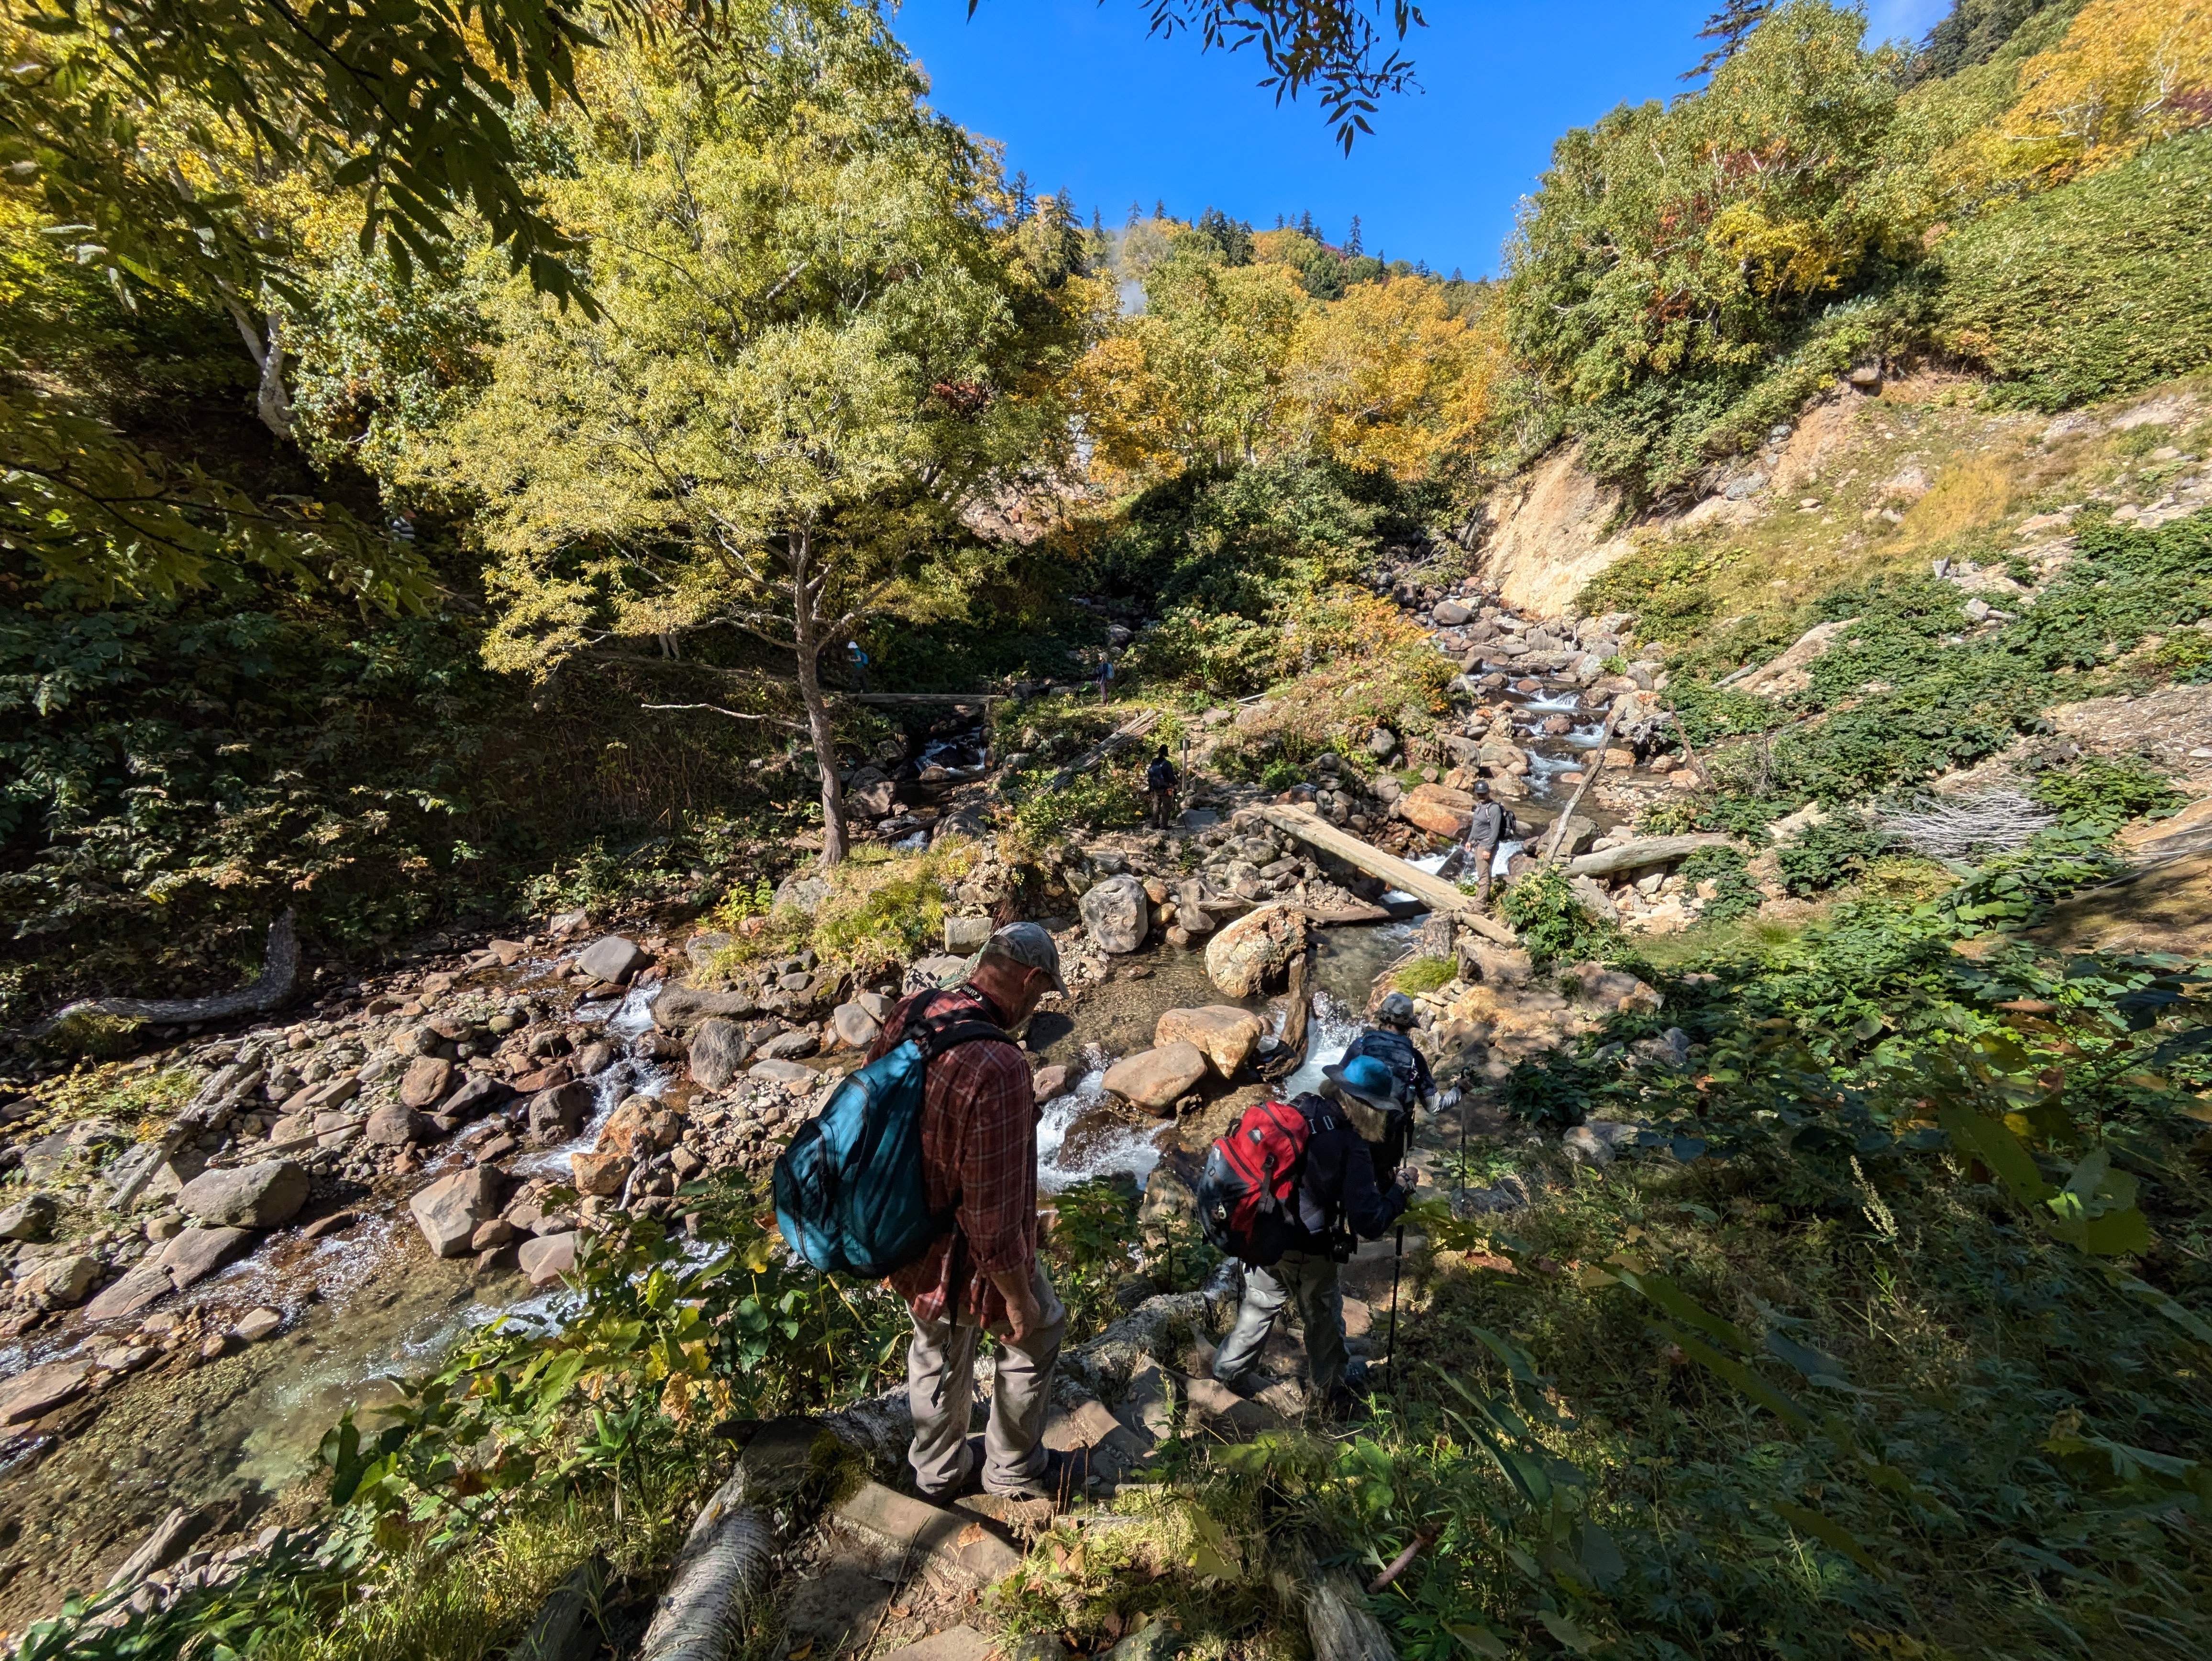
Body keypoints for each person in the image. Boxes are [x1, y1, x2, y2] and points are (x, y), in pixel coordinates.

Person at [865, 922, 1078, 1502]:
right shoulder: (1001, 1065)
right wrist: (1016, 1295)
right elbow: (990, 1215)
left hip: (904, 1226)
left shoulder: (915, 1007)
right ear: (1030, 979)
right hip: (963, 1249)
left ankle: (936, 1475)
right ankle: (1011, 1468)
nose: (1032, 1010)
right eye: (1037, 997)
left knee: (934, 1345)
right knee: (1037, 1330)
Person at [1210, 1055, 1412, 1412]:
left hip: (1264, 1234)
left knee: (1259, 1307)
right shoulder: (1352, 1145)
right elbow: (1370, 1222)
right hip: (1310, 1250)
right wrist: (1401, 1190)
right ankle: (1328, 1391)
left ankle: (1227, 1374)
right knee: (1323, 1319)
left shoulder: (1301, 1107)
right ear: (1368, 1108)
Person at [1438, 781, 1526, 907]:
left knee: (1484, 876)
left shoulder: (1494, 809)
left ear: (1489, 792)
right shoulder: (1480, 806)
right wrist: (1470, 841)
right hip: (1479, 845)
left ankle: (1479, 907)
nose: (1482, 796)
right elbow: (1476, 826)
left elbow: (1495, 832)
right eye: (1479, 794)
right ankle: (1478, 899)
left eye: (1484, 794)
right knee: (1481, 874)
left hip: (1486, 846)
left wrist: (1488, 849)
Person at [1144, 746, 1180, 830]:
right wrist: (1176, 782)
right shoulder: (1168, 764)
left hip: (1156, 788)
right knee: (1166, 807)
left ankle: (1155, 824)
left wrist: (1151, 788)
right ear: (1166, 753)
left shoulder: (1154, 761)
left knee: (1156, 806)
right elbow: (1171, 778)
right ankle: (1164, 825)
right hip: (1166, 788)